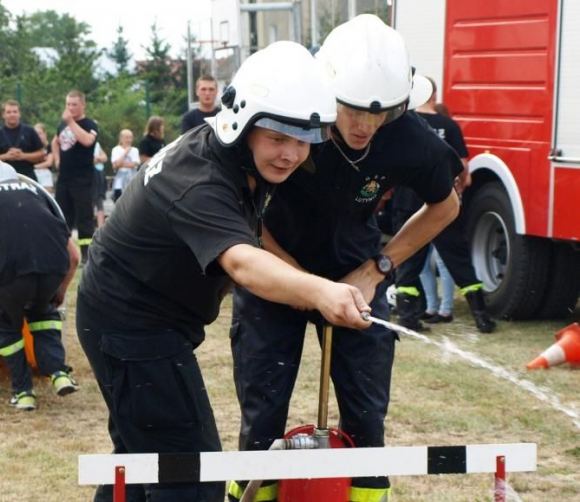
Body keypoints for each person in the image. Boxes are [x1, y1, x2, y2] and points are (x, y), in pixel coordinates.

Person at [76, 41, 371, 502]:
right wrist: (320, 292)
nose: (290, 155)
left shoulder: (235, 160)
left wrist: (310, 286)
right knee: (193, 477)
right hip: (132, 329)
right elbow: (242, 261)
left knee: (140, 463)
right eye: (277, 138)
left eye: (301, 141)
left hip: (135, 321)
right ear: (243, 125)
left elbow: (253, 242)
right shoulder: (201, 180)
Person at [227, 16, 461, 502]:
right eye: (352, 110)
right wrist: (289, 274)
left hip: (356, 275)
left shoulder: (409, 137)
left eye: (380, 113)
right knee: (263, 417)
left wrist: (379, 268)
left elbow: (447, 205)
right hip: (275, 271)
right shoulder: (285, 119)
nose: (365, 125)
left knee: (367, 421)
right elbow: (236, 205)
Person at [0, 160, 81, 411]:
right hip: (52, 270)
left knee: (8, 329)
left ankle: (23, 393)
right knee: (44, 316)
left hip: (9, 277)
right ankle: (59, 373)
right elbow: (74, 257)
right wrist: (60, 289)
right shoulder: (39, 194)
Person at [392, 77, 496, 332]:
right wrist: (459, 184)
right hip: (441, 201)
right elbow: (463, 167)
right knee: (458, 258)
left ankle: (407, 317)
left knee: (408, 258)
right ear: (433, 95)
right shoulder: (449, 125)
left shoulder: (402, 124)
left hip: (407, 201)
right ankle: (482, 317)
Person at [51, 90, 98, 265]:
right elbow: (54, 142)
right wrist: (56, 159)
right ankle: (61, 252)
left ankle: (86, 255)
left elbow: (87, 141)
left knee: (84, 218)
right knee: (61, 217)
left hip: (83, 179)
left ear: (83, 105)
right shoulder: (62, 125)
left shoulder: (89, 124)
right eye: (68, 104)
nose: (70, 108)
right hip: (64, 179)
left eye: (74, 104)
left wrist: (71, 122)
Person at [0, 100, 45, 183]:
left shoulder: (30, 131)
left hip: (27, 177)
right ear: (3, 114)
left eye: (15, 111)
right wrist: (6, 156)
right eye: (9, 112)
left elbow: (41, 154)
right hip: (3, 179)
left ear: (19, 113)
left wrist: (23, 156)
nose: (12, 114)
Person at [110, 129, 139, 202]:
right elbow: (115, 166)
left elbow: (134, 164)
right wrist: (125, 152)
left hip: (131, 182)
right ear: (121, 138)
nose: (129, 140)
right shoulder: (116, 150)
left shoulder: (135, 150)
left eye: (131, 137)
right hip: (119, 183)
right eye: (127, 137)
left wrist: (120, 164)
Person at [33, 123, 55, 194]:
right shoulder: (31, 147)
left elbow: (49, 163)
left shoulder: (50, 146)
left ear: (45, 134)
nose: (38, 136)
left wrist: (33, 167)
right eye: (35, 134)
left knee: (47, 196)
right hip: (34, 174)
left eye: (40, 133)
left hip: (46, 174)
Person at [92, 142, 108, 228]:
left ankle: (101, 228)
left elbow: (105, 158)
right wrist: (98, 159)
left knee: (99, 200)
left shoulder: (97, 144)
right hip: (90, 174)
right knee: (90, 201)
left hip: (99, 174)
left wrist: (97, 158)